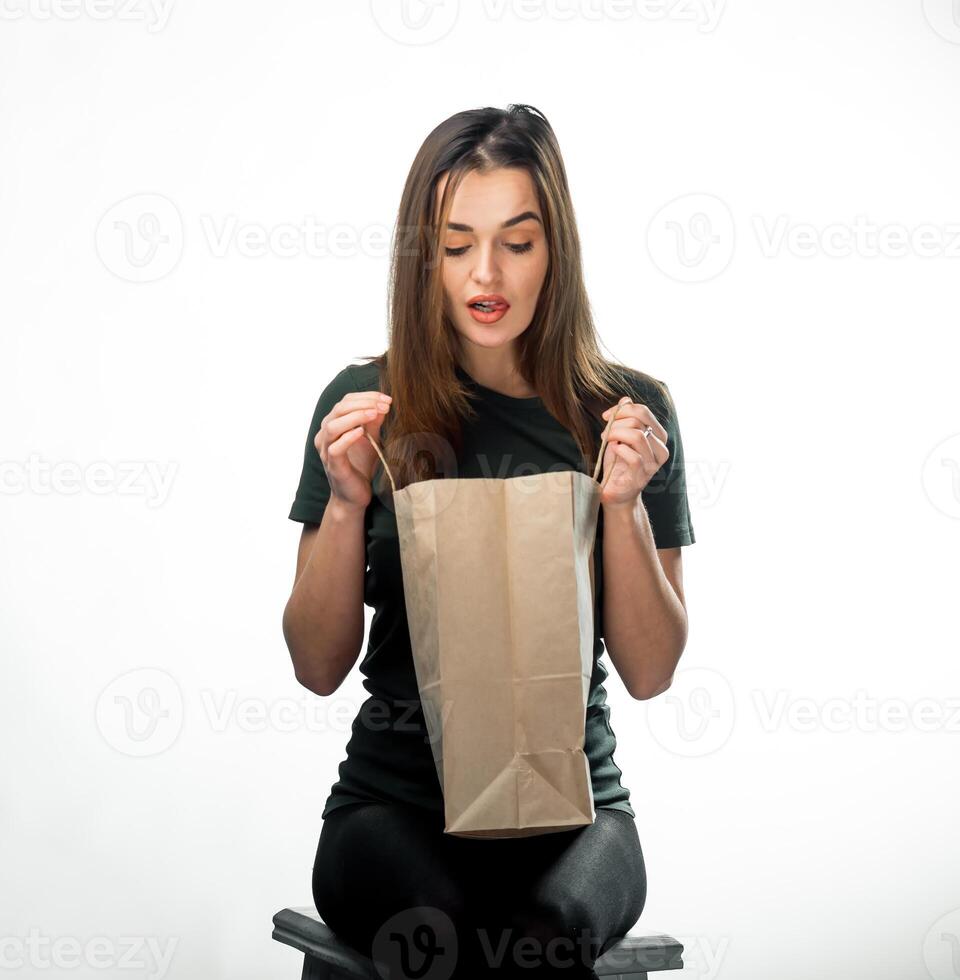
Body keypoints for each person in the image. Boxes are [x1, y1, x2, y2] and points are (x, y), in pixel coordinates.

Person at [282, 104, 696, 978]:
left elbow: (652, 674)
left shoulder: (624, 416)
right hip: (392, 809)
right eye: (455, 241)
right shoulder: (364, 406)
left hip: (576, 813)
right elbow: (316, 665)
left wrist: (622, 504)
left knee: (538, 946)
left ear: (558, 250)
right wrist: (349, 498)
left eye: (517, 239)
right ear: (422, 255)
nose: (486, 272)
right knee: (448, 938)